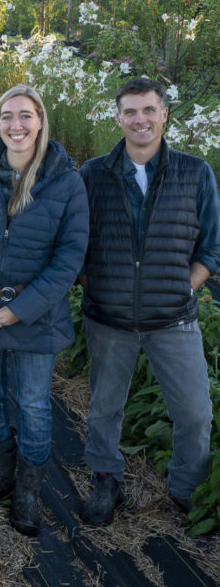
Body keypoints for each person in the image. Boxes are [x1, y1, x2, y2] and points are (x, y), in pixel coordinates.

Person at [0, 84, 89, 536]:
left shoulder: (65, 180)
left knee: (32, 404)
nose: (16, 125)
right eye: (8, 116)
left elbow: (70, 257)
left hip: (36, 316)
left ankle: (27, 491)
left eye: (26, 116)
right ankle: (1, 474)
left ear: (41, 121)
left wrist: (21, 310)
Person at [78, 77, 220, 525]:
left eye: (149, 110)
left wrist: (187, 287)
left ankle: (186, 488)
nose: (140, 119)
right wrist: (95, 284)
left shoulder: (195, 173)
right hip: (109, 318)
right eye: (131, 111)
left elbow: (212, 248)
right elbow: (74, 243)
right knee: (104, 408)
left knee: (195, 412)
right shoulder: (92, 174)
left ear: (164, 114)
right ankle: (106, 479)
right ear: (118, 118)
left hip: (173, 319)